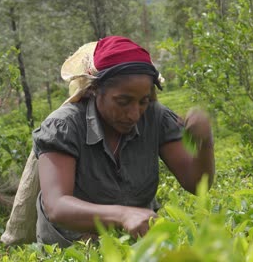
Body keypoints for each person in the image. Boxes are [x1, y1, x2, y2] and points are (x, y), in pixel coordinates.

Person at [33, 36, 214, 247]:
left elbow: (196, 184)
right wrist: (123, 215)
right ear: (94, 90)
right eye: (123, 102)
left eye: (143, 101)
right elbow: (57, 206)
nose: (134, 114)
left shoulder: (156, 117)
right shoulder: (64, 126)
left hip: (134, 246)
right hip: (72, 248)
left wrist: (205, 143)